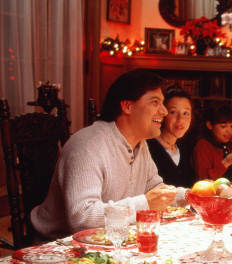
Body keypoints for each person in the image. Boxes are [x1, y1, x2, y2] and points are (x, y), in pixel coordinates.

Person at [31, 69, 182, 238]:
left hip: (108, 238)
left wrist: (191, 196)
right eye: (155, 102)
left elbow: (155, 190)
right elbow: (82, 217)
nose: (164, 111)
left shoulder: (140, 144)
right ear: (127, 106)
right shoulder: (88, 145)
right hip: (57, 244)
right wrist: (145, 203)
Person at [148, 86, 196, 188]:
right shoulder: (148, 147)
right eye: (173, 112)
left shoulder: (186, 148)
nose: (180, 119)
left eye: (186, 113)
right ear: (163, 113)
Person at [192, 105, 232, 181]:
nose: (229, 131)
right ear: (209, 125)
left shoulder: (228, 142)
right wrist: (226, 162)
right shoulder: (202, 145)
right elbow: (204, 180)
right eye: (223, 126)